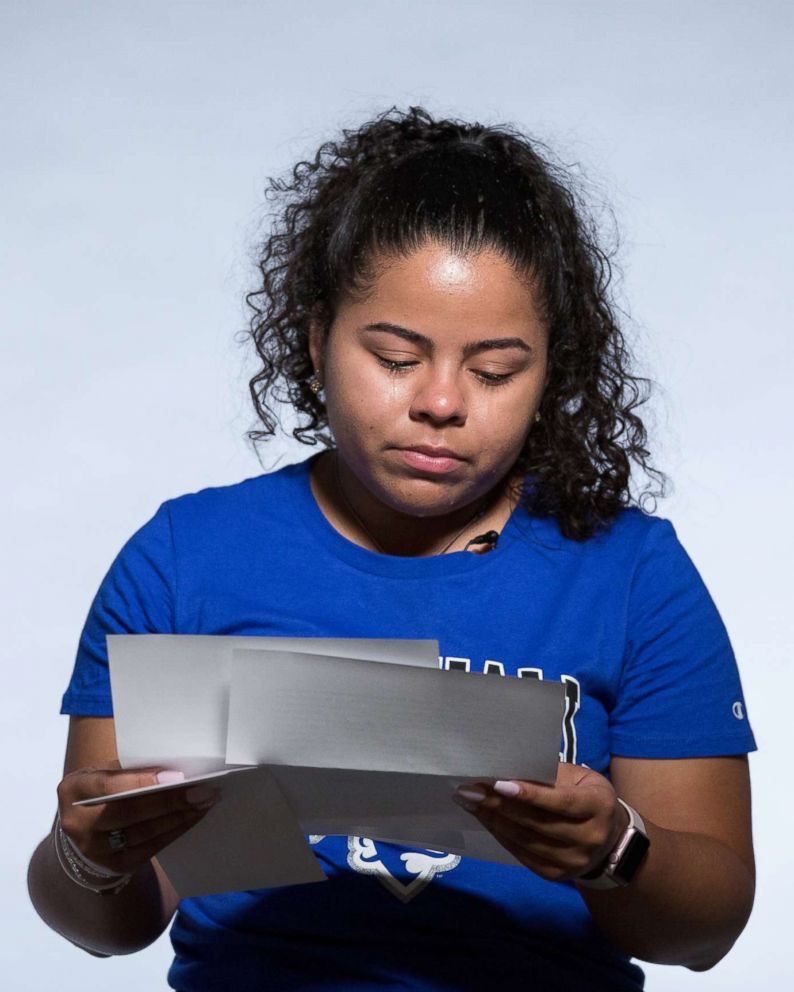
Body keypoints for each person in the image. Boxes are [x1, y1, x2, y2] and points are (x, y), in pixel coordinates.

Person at [28, 106, 756, 991]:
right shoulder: (186, 559)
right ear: (315, 341)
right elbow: (111, 928)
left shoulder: (632, 572)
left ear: (549, 374)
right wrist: (90, 861)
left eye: (494, 370)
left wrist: (615, 850)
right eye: (397, 356)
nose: (443, 403)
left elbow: (705, 934)